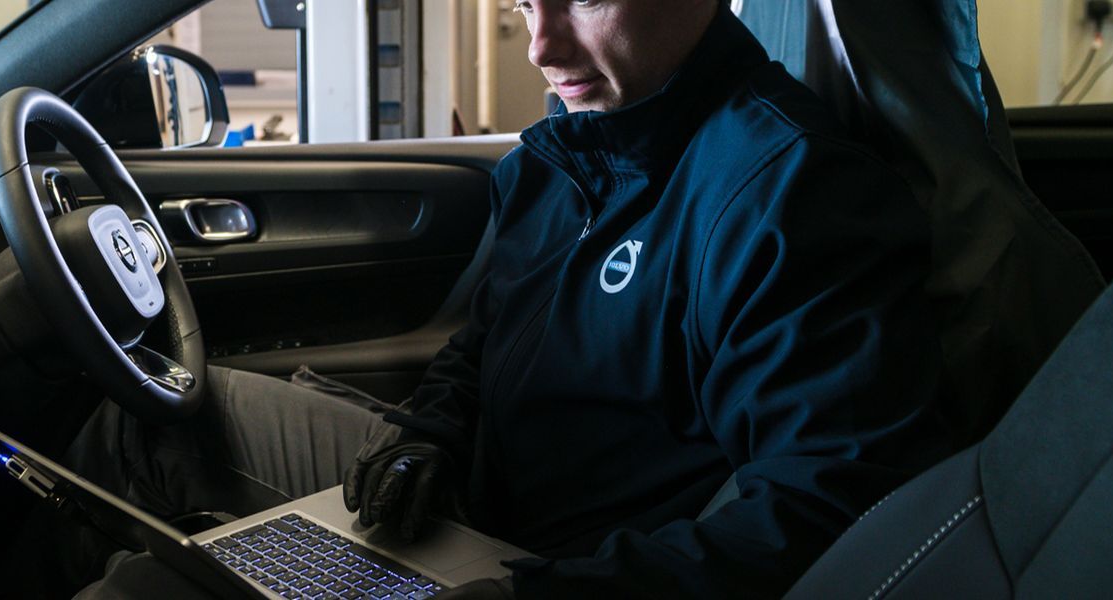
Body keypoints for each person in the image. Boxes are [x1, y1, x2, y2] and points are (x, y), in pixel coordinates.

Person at [61, 0, 952, 597]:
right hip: (461, 505)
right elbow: (486, 339)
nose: (541, 46)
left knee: (144, 589)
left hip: (561, 569)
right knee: (146, 415)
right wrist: (432, 431)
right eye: (525, 4)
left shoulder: (787, 194)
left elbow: (825, 504)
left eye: (583, 0)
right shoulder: (564, 156)